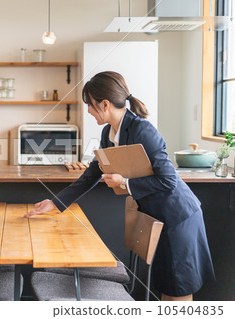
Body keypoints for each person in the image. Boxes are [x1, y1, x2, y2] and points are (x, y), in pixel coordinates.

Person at [25, 71, 215, 301]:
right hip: (159, 218)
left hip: (179, 218)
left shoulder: (142, 130)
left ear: (104, 104)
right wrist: (54, 203)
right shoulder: (109, 133)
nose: (88, 110)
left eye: (90, 105)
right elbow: (92, 173)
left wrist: (124, 183)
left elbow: (168, 180)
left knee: (179, 291)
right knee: (168, 286)